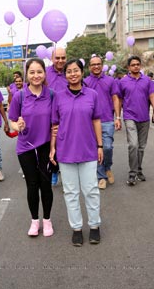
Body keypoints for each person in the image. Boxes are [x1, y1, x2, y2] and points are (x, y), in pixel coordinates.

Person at [50, 59, 103, 246]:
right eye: (69, 71)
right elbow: (55, 124)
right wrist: (53, 149)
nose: (72, 74)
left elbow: (96, 120)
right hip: (66, 151)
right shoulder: (58, 96)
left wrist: (100, 145)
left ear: (82, 72)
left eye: (76, 70)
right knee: (70, 192)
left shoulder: (92, 95)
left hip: (88, 150)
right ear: (65, 75)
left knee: (91, 190)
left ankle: (95, 226)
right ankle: (77, 229)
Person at [8, 58, 54, 237]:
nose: (36, 75)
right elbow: (12, 120)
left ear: (44, 73)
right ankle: (35, 221)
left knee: (46, 185)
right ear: (27, 74)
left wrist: (54, 147)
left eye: (39, 72)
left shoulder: (51, 95)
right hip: (25, 147)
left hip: (45, 146)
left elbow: (56, 122)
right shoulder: (19, 96)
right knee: (32, 185)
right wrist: (16, 126)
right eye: (32, 72)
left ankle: (47, 220)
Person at [84, 55, 121, 190]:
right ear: (89, 67)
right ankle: (101, 176)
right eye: (93, 64)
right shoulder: (85, 82)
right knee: (96, 149)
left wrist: (118, 117)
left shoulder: (111, 81)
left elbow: (115, 98)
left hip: (107, 120)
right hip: (91, 122)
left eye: (98, 64)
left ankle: (107, 167)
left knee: (107, 147)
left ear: (102, 65)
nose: (96, 66)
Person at [119, 56, 154, 185]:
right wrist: (118, 116)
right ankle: (132, 174)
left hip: (144, 118)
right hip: (129, 117)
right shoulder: (123, 82)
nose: (136, 66)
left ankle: (139, 170)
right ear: (129, 67)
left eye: (138, 64)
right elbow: (120, 99)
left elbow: (151, 95)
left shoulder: (147, 81)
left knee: (141, 147)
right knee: (133, 145)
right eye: (133, 64)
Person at [46, 47, 68, 186]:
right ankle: (54, 170)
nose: (60, 61)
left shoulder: (71, 71)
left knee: (65, 145)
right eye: (57, 58)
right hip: (48, 115)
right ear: (52, 58)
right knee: (51, 145)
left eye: (63, 58)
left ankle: (65, 173)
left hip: (67, 115)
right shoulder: (45, 73)